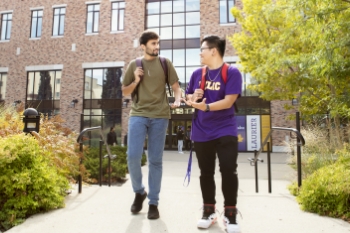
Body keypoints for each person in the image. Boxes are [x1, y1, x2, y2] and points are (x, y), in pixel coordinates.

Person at [182, 35, 242, 233]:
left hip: (225, 128)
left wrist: (205, 106)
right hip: (201, 130)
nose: (200, 53)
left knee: (228, 170)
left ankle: (230, 214)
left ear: (213, 51)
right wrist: (192, 97)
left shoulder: (232, 72)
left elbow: (228, 101)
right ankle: (209, 211)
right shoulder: (196, 74)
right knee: (206, 173)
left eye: (203, 49)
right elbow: (188, 98)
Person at [122, 30, 182, 220]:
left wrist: (178, 99)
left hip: (160, 116)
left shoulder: (165, 63)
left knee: (155, 160)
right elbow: (125, 91)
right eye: (153, 44)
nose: (157, 47)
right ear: (143, 46)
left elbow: (176, 87)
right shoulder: (134, 65)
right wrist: (137, 81)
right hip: (138, 115)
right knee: (133, 156)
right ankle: (139, 191)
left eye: (158, 43)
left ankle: (153, 202)